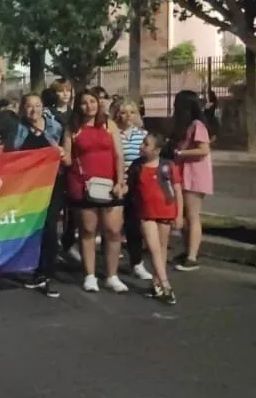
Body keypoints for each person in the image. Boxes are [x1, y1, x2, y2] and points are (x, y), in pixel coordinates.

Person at [62, 89, 127, 293]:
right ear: (78, 106)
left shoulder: (110, 125)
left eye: (92, 101)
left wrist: (120, 181)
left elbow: (118, 155)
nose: (89, 106)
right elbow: (68, 158)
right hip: (83, 185)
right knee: (88, 230)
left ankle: (111, 275)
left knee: (113, 231)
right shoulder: (73, 128)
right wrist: (59, 155)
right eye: (83, 102)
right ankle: (89, 275)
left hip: (109, 186)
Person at [13, 93, 64, 298]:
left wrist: (56, 149)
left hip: (52, 185)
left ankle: (47, 273)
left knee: (49, 227)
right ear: (23, 109)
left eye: (37, 105)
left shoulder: (55, 127)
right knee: (31, 227)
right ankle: (31, 268)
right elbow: (12, 154)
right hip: (27, 187)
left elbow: (64, 154)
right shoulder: (18, 129)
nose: (33, 110)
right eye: (29, 106)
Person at [127, 132, 180, 305]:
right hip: (146, 213)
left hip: (165, 211)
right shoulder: (137, 166)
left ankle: (156, 282)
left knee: (162, 248)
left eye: (146, 144)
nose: (142, 146)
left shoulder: (168, 166)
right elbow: (129, 188)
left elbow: (177, 190)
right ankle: (166, 284)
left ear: (157, 150)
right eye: (143, 142)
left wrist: (179, 214)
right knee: (154, 248)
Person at [169, 90, 212, 272]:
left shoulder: (197, 125)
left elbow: (204, 150)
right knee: (187, 216)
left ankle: (193, 257)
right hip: (186, 172)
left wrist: (180, 153)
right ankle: (187, 251)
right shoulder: (187, 126)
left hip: (196, 174)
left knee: (193, 216)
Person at [113, 100, 153, 281]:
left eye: (132, 112)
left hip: (137, 187)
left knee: (133, 227)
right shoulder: (113, 134)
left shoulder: (143, 135)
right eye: (123, 112)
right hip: (118, 184)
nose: (128, 116)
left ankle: (137, 263)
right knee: (112, 227)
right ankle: (110, 264)